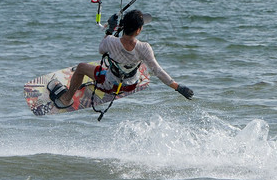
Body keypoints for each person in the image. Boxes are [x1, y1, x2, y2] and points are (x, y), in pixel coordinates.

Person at [47, 9, 194, 108]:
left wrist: (110, 29)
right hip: (131, 85)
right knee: (141, 64)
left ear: (123, 26)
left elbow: (101, 50)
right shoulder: (144, 48)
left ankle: (66, 99)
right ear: (138, 30)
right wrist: (178, 87)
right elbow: (158, 71)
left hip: (110, 84)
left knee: (80, 67)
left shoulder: (111, 41)